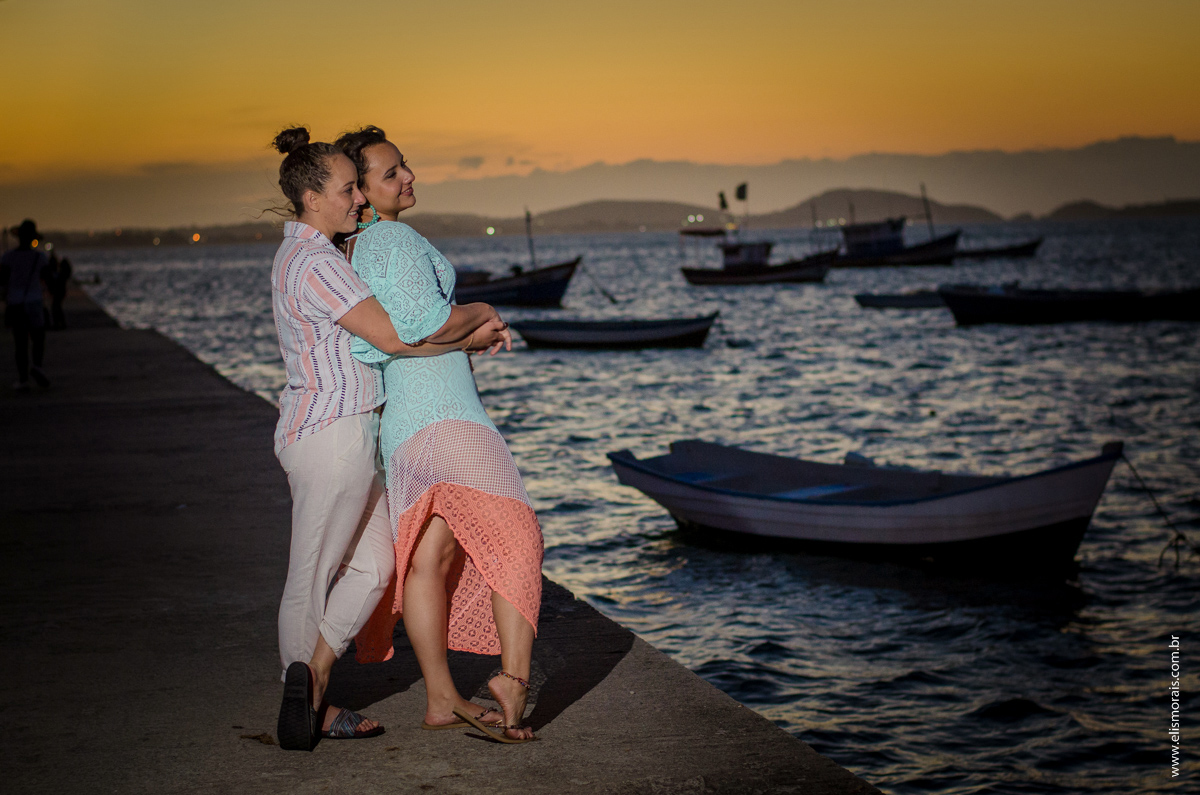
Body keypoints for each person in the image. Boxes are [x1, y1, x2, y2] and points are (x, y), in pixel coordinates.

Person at [266, 127, 509, 751]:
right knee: (312, 573)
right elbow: (397, 337)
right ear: (313, 198)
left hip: (351, 432)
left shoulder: (313, 253)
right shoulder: (317, 262)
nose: (357, 201)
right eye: (348, 190)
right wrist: (476, 327)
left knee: (377, 566)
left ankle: (314, 674)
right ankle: (306, 701)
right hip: (332, 434)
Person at [337, 125, 543, 744]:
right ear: (364, 195)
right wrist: (482, 316)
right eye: (392, 172)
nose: (408, 178)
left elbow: (402, 335)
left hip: (404, 425)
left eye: (406, 167)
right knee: (518, 539)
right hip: (448, 418)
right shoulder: (393, 237)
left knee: (429, 558)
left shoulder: (359, 251)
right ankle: (511, 677)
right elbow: (428, 323)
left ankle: (438, 698)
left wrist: (468, 336)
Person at [1, 219, 52, 391]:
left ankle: (23, 380)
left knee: (20, 342)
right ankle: (37, 366)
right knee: (38, 337)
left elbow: (2, 280)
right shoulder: (40, 257)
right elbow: (48, 279)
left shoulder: (8, 257)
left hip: (16, 302)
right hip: (35, 301)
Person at [48, 254, 71, 329]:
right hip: (60, 292)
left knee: (55, 307)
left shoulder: (58, 273)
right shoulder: (58, 272)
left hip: (59, 292)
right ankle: (60, 323)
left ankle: (58, 324)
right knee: (57, 307)